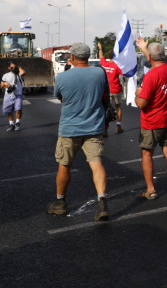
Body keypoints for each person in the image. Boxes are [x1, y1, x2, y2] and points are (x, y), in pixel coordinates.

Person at [46, 43, 110, 221]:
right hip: (94, 126)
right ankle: (102, 202)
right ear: (88, 56)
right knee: (96, 163)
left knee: (64, 164)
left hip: (69, 128)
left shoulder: (62, 77)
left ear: (72, 57)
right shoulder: (99, 72)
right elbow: (104, 95)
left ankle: (60, 203)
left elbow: (60, 97)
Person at [134, 37, 167, 199]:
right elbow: (154, 59)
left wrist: (137, 94)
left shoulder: (151, 76)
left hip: (152, 122)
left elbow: (141, 104)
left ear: (152, 58)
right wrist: (144, 48)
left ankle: (151, 190)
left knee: (147, 154)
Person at [98, 41, 124, 134]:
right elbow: (124, 74)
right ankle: (118, 126)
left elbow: (101, 56)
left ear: (108, 56)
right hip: (116, 90)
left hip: (107, 91)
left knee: (106, 108)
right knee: (118, 107)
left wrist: (100, 47)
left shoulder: (104, 64)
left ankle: (105, 129)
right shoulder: (117, 66)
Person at [2, 62, 25, 131]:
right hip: (8, 95)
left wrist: (18, 67)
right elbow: (1, 85)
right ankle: (11, 124)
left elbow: (23, 73)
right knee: (9, 111)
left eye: (14, 67)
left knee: (18, 109)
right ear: (9, 68)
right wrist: (5, 84)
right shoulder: (5, 75)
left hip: (18, 95)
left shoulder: (18, 74)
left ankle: (17, 123)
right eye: (12, 67)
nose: (13, 68)